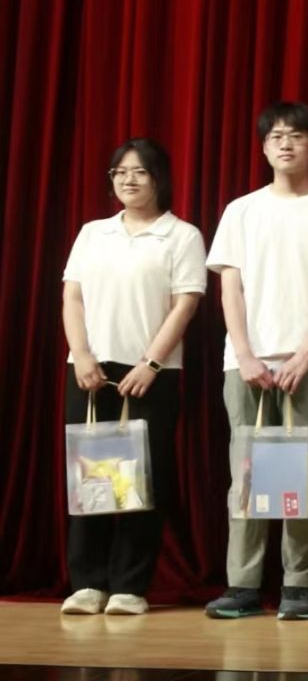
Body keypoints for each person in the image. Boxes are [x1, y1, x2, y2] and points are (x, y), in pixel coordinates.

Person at [204, 102, 308, 620]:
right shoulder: (241, 211)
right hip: (246, 361)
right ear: (264, 147)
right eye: (276, 136)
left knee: (302, 472)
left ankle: (298, 586)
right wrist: (245, 353)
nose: (286, 144)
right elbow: (230, 288)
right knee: (247, 471)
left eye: (296, 136)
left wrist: (303, 354)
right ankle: (243, 585)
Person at [58, 139, 207, 616]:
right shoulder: (93, 233)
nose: (128, 180)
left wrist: (152, 363)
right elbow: (73, 297)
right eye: (120, 172)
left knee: (143, 479)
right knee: (91, 476)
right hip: (90, 369)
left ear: (159, 178)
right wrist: (82, 355)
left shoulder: (181, 235)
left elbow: (185, 304)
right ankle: (87, 583)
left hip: (150, 372)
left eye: (139, 172)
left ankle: (129, 585)